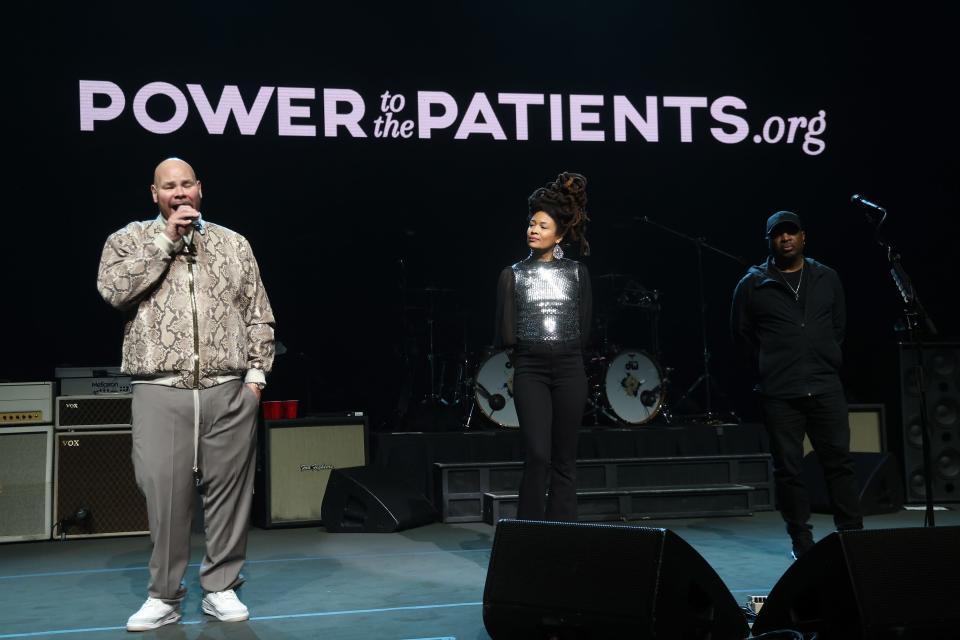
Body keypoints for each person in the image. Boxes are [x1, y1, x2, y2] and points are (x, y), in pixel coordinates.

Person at [97, 158, 276, 631]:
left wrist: (256, 379)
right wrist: (167, 240)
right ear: (154, 194)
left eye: (186, 184)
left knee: (231, 496)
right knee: (165, 495)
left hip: (227, 389)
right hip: (161, 388)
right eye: (168, 187)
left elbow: (259, 312)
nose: (179, 193)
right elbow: (113, 291)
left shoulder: (233, 243)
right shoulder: (129, 240)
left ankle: (220, 587)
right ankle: (165, 595)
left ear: (200, 189)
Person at [730, 210, 862, 559]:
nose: (785, 239)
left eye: (791, 233)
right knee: (789, 470)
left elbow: (838, 327)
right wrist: (768, 367)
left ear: (804, 237)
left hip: (824, 386)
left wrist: (823, 357)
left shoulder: (826, 278)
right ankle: (801, 542)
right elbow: (741, 337)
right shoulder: (752, 284)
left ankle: (852, 536)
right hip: (780, 392)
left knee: (839, 463)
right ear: (769, 241)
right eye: (778, 234)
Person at [493, 172, 592, 521]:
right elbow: (506, 334)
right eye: (532, 223)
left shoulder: (578, 273)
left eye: (543, 225)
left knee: (565, 458)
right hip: (530, 369)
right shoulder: (513, 274)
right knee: (538, 455)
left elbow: (584, 328)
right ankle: (528, 535)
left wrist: (564, 353)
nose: (533, 229)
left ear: (560, 234)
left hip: (569, 368)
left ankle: (564, 533)